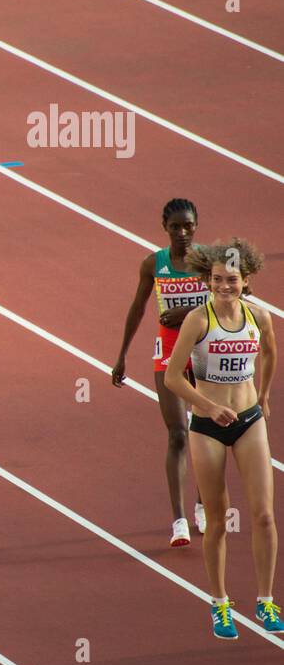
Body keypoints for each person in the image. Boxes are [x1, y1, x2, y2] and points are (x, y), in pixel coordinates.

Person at [164, 238, 277, 638]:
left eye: (231, 279)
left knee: (264, 514)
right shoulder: (199, 319)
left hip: (248, 420)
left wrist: (262, 397)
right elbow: (172, 377)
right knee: (217, 521)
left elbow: (269, 353)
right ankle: (220, 604)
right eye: (216, 280)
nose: (223, 286)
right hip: (208, 427)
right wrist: (207, 406)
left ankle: (266, 600)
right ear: (207, 281)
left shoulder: (259, 316)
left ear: (246, 280)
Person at [111, 198, 209, 546]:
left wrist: (184, 312)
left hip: (205, 351)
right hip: (169, 353)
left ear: (196, 226)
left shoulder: (209, 262)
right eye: (175, 227)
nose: (182, 232)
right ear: (164, 228)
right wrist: (121, 355)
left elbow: (236, 298)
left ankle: (203, 505)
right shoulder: (154, 264)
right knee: (178, 434)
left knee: (207, 433)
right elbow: (138, 308)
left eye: (188, 225)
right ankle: (179, 520)